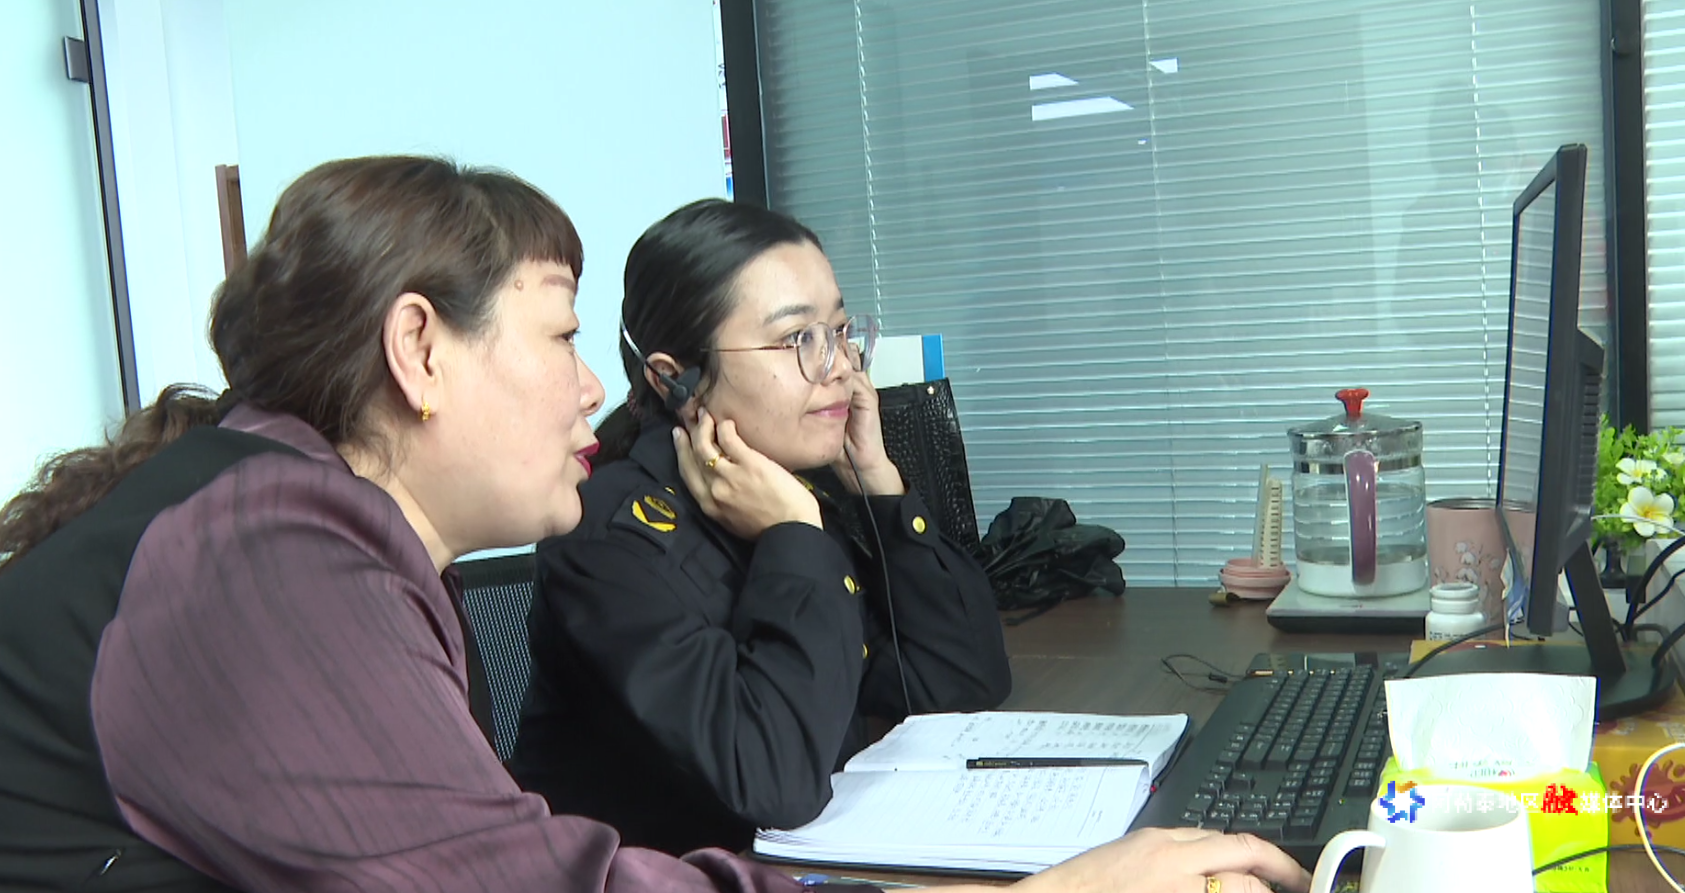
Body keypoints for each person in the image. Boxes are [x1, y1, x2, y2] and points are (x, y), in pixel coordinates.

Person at [0, 156, 1307, 893]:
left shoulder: (311, 531)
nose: (588, 386)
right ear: (420, 349)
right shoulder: (271, 561)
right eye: (560, 336)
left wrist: (867, 497)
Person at [508, 199, 1011, 855]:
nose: (839, 365)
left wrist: (878, 482)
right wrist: (793, 537)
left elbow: (962, 681)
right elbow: (776, 782)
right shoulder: (605, 540)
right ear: (676, 379)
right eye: (797, 339)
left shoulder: (794, 485)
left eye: (838, 331)